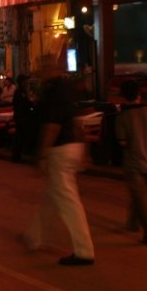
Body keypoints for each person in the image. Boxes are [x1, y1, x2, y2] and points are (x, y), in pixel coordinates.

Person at [24, 75, 95, 266]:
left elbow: (51, 127)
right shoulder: (68, 93)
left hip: (60, 150)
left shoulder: (52, 94)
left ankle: (84, 250)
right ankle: (35, 237)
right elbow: (77, 123)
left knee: (68, 200)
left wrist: (42, 155)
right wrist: (84, 149)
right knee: (51, 196)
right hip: (71, 148)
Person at [114, 80, 147, 246]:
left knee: (139, 198)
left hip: (133, 163)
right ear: (139, 95)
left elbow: (122, 142)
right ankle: (132, 223)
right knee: (140, 196)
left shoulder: (122, 117)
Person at [11, 74, 35, 164]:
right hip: (21, 117)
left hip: (22, 116)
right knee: (19, 136)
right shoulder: (19, 92)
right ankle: (16, 156)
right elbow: (23, 104)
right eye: (25, 81)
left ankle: (19, 154)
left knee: (21, 136)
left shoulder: (23, 91)